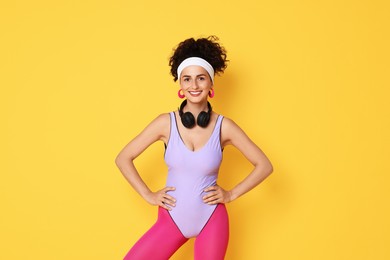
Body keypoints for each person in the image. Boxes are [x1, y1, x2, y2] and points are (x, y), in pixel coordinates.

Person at [115, 35, 273, 260]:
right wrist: (148, 194)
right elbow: (123, 158)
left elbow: (264, 165)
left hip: (212, 219)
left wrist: (231, 193)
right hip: (172, 218)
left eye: (201, 78)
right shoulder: (164, 123)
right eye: (187, 79)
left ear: (210, 83)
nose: (194, 85)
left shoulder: (224, 127)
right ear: (180, 84)